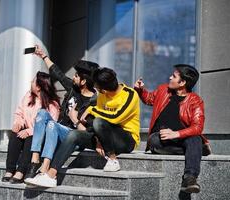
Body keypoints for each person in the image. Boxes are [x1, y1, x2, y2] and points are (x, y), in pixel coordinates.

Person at [27, 67, 140, 188]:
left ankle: (112, 159)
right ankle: (50, 175)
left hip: (126, 139)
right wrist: (97, 140)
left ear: (104, 90)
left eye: (98, 88)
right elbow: (94, 121)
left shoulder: (130, 94)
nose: (96, 89)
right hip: (104, 137)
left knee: (98, 121)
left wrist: (92, 109)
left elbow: (116, 117)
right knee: (74, 134)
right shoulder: (102, 96)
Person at [23, 45, 99, 183]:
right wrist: (43, 56)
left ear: (84, 81)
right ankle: (35, 160)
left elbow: (87, 133)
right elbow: (57, 73)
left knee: (52, 125)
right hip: (58, 128)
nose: (73, 77)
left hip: (73, 136)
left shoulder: (94, 102)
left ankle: (45, 168)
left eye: (76, 76)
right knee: (42, 113)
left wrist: (74, 119)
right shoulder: (73, 88)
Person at [134, 64, 211, 194]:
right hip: (161, 139)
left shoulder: (195, 100)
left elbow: (197, 127)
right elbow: (149, 99)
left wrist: (176, 134)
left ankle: (190, 179)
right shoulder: (163, 90)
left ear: (183, 82)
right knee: (153, 140)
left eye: (174, 76)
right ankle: (196, 151)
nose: (170, 77)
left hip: (182, 139)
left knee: (195, 139)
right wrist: (140, 90)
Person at [1, 71, 60, 184]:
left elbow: (50, 126)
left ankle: (21, 171)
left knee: (31, 138)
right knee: (15, 134)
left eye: (33, 81)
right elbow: (19, 113)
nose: (30, 82)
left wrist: (29, 131)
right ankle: (10, 170)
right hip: (26, 130)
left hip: (41, 137)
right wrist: (18, 123)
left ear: (38, 87)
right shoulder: (28, 96)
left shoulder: (53, 104)